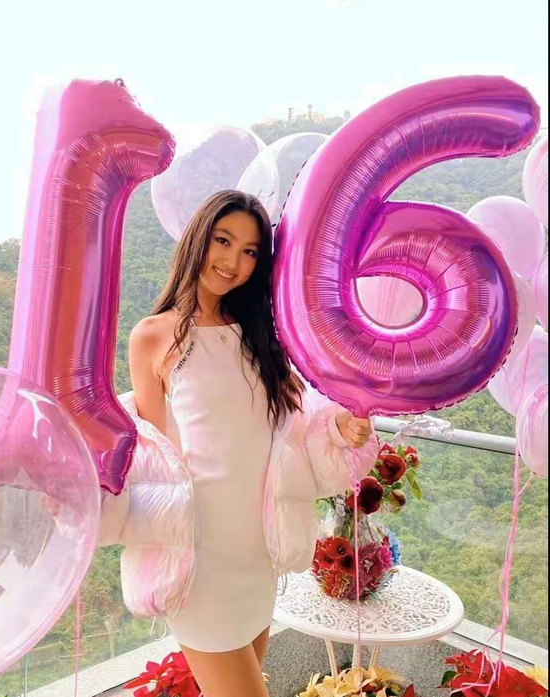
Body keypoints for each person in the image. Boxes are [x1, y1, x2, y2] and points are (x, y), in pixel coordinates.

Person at [99, 190, 377, 697]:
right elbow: (158, 457)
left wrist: (341, 427)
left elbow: (294, 425)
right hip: (200, 559)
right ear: (198, 239)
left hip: (257, 553)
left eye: (250, 251)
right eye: (223, 241)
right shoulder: (153, 337)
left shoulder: (264, 336)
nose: (232, 261)